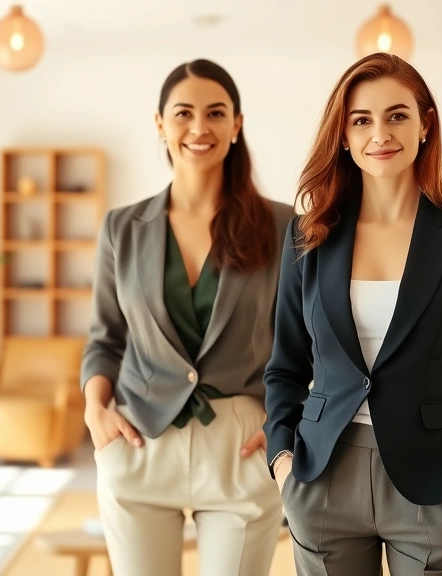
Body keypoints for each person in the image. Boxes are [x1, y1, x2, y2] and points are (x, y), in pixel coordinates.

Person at [263, 52, 442, 576]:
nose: (380, 133)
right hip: (323, 477)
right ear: (343, 134)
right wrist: (284, 468)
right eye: (361, 120)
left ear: (426, 122)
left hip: (437, 482)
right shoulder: (307, 237)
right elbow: (284, 368)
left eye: (397, 115)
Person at [81, 58, 294, 576]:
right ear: (160, 123)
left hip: (242, 446)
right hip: (138, 441)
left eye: (216, 113)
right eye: (183, 113)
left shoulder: (283, 226)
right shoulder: (122, 228)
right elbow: (105, 339)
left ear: (236, 125)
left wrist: (288, 419)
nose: (199, 128)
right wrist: (95, 410)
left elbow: (308, 341)